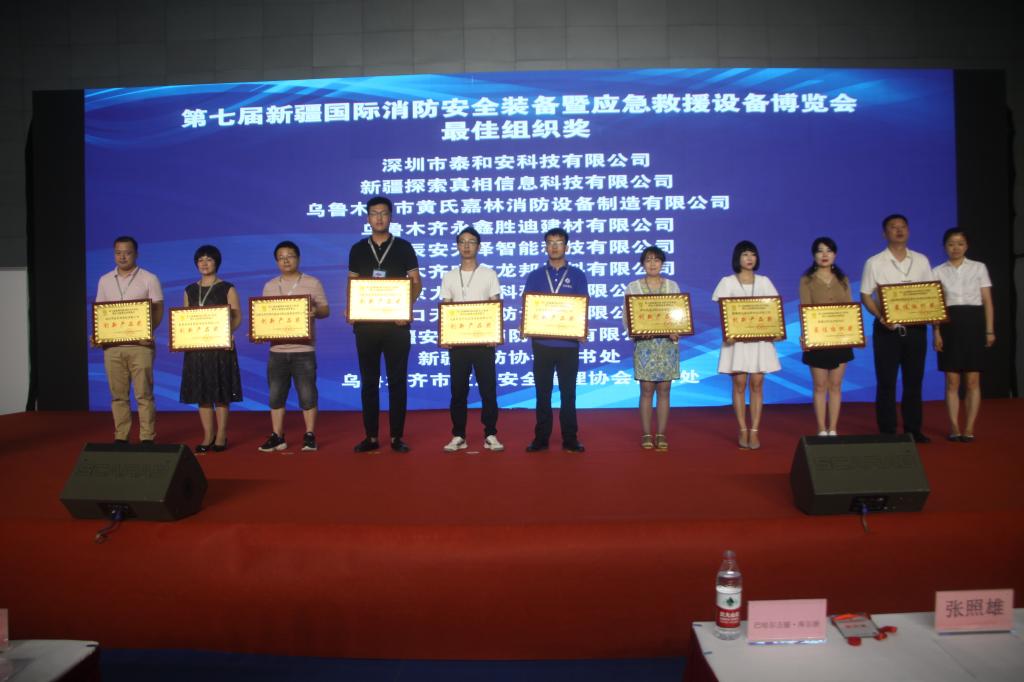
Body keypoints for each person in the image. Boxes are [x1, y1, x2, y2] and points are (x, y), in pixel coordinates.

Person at [347, 196, 422, 453]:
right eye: (374, 213)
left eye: (384, 213)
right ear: (368, 217)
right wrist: (351, 308)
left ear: (391, 217)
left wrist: (406, 308)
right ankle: (371, 437)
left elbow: (416, 282)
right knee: (369, 382)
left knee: (397, 381)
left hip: (396, 327)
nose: (379, 218)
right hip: (366, 327)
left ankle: (396, 437)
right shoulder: (358, 249)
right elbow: (352, 284)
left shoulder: (403, 247)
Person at [860, 214, 933, 443]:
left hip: (916, 329)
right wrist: (881, 316)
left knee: (914, 381)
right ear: (885, 233)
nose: (899, 231)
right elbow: (865, 294)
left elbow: (930, 291)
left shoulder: (921, 260)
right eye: (893, 227)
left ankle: (913, 429)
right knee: (886, 381)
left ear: (908, 231)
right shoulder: (874, 262)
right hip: (886, 330)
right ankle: (887, 430)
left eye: (903, 227)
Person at [258, 241, 330, 453]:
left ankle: (309, 435)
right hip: (277, 351)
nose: (286, 260)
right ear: (276, 262)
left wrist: (315, 311)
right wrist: (258, 330)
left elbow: (325, 310)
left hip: (303, 350)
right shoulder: (270, 286)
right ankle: (277, 436)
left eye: (290, 256)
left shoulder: (312, 283)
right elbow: (263, 316)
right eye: (281, 257)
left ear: (298, 258)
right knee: (275, 396)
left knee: (307, 395)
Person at [523, 227, 588, 453]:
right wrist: (526, 325)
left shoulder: (578, 275)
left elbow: (582, 307)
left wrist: (581, 328)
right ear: (545, 247)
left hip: (568, 344)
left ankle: (570, 438)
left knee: (568, 394)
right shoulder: (535, 275)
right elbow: (528, 306)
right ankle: (541, 438)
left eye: (559, 242)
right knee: (543, 393)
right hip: (542, 343)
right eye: (550, 242)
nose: (554, 246)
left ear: (566, 247)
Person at [711, 241, 781, 450]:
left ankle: (755, 429)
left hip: (760, 341)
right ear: (737, 258)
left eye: (753, 254)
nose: (749, 258)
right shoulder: (727, 282)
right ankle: (742, 428)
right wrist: (729, 332)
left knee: (757, 384)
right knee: (740, 384)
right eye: (745, 255)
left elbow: (773, 311)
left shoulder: (764, 281)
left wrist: (776, 331)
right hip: (737, 342)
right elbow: (724, 312)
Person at [439, 227, 504, 452]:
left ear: (479, 246)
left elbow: (495, 304)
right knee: (458, 392)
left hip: (484, 343)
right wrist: (445, 335)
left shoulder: (489, 274)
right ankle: (458, 435)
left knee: (488, 390)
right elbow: (446, 306)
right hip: (458, 344)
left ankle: (491, 434)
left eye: (471, 241)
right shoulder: (449, 276)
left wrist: (495, 333)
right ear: (457, 246)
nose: (466, 246)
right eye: (462, 242)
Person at [94, 236, 164, 444]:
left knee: (144, 395)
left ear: (136, 254)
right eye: (118, 253)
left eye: (127, 252)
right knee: (118, 396)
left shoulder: (149, 278)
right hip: (113, 348)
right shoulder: (105, 280)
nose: (122, 257)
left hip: (141, 347)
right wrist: (98, 335)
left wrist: (147, 332)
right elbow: (101, 313)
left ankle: (147, 437)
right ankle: (121, 436)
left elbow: (158, 310)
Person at [931, 228, 994, 442]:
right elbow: (935, 306)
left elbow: (987, 301)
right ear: (944, 247)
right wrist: (936, 332)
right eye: (951, 244)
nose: (955, 248)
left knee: (973, 381)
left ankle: (969, 427)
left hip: (974, 323)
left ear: (966, 246)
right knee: (952, 381)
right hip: (949, 325)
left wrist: (989, 330)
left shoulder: (979, 267)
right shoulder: (937, 271)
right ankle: (954, 427)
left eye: (960, 243)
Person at [179, 245, 243, 452]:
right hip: (196, 349)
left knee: (220, 393)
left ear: (217, 263)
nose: (204, 263)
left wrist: (227, 333)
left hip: (219, 349)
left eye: (209, 259)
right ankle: (208, 435)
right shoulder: (189, 290)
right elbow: (184, 319)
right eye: (200, 260)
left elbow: (237, 316)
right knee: (201, 393)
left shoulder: (227, 288)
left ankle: (221, 435)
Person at [624, 246, 680, 451]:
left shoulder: (672, 286)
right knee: (646, 390)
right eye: (648, 260)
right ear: (642, 264)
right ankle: (647, 433)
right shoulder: (633, 287)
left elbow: (679, 314)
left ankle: (662, 433)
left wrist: (677, 330)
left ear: (662, 263)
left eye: (656, 260)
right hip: (645, 345)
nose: (653, 264)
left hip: (667, 345)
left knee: (664, 390)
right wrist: (637, 332)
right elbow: (627, 316)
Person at [798, 237, 855, 436]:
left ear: (835, 254)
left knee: (836, 385)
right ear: (814, 255)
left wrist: (854, 333)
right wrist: (806, 336)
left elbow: (850, 309)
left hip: (841, 339)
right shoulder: (807, 280)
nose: (824, 255)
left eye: (828, 250)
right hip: (817, 339)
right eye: (820, 251)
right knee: (820, 385)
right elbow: (805, 309)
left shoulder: (843, 279)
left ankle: (833, 428)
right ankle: (821, 428)